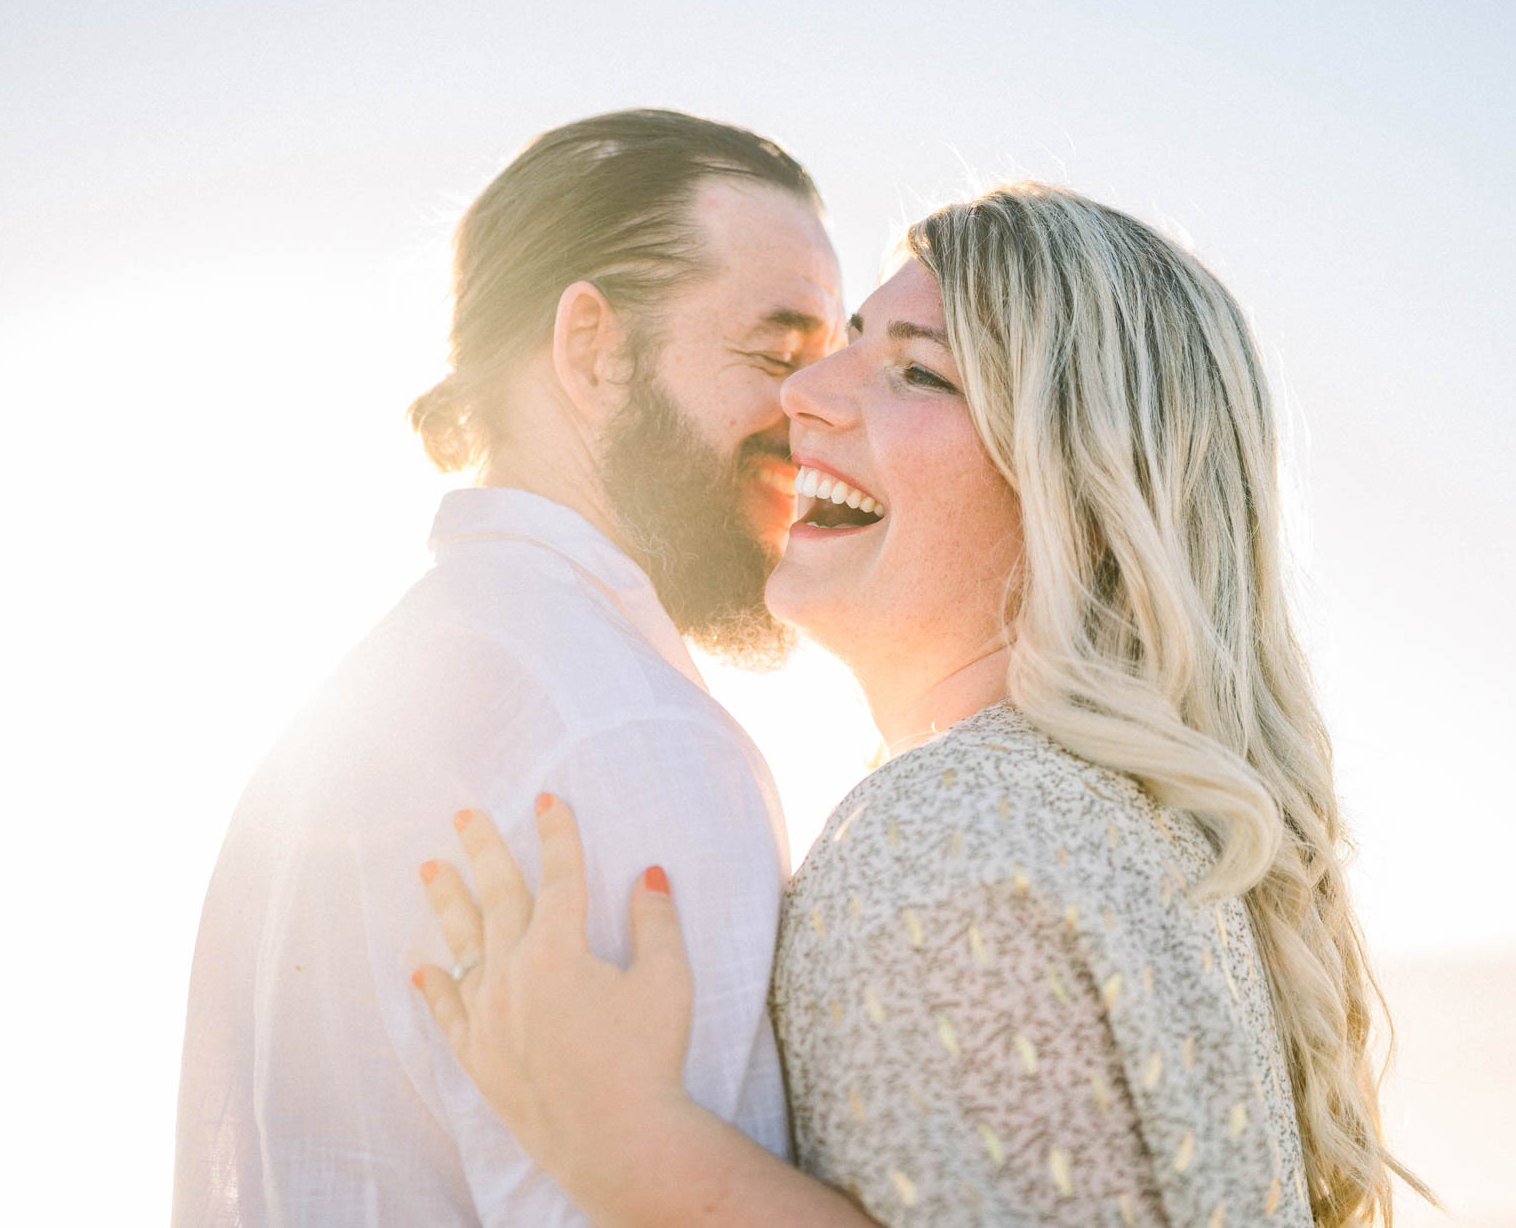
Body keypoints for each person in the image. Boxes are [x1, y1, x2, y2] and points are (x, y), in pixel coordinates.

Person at [412, 184, 1436, 1226]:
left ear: (1083, 498)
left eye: (916, 370)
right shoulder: (1131, 827)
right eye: (846, 343)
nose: (805, 390)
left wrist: (626, 1141)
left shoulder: (947, 836)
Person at [172, 109, 844, 1227]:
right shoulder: (630, 736)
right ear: (592, 347)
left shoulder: (366, 701)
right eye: (778, 355)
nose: (816, 415)